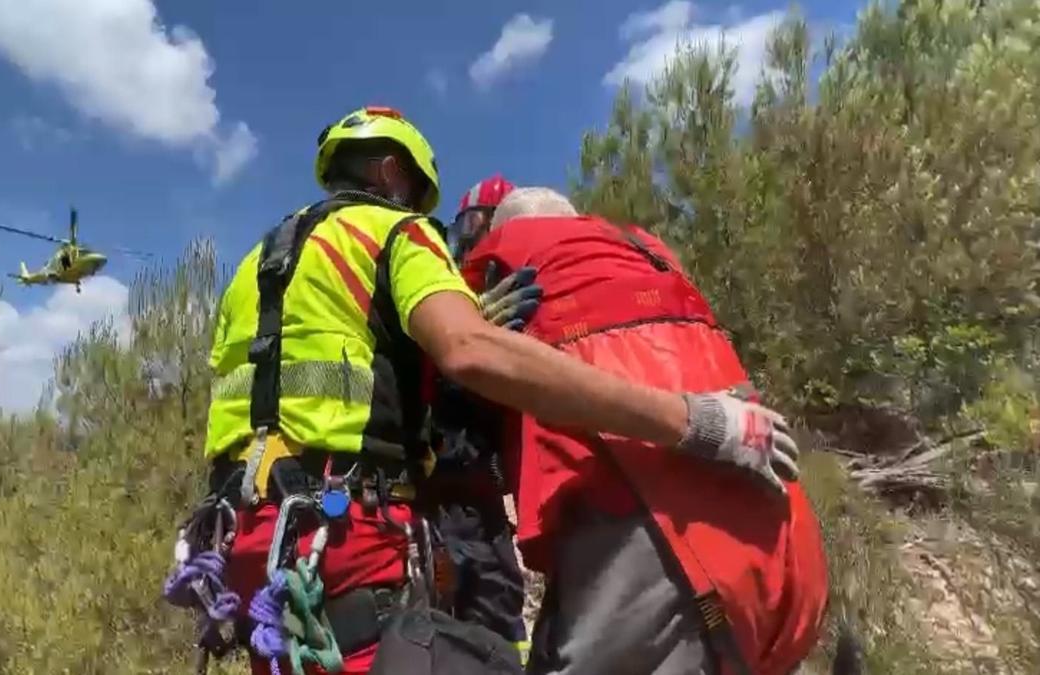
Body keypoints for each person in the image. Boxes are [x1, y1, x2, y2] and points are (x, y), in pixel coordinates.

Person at [172, 106, 803, 675]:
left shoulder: (259, 264)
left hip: (243, 540)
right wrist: (695, 421)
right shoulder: (394, 232)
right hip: (345, 537)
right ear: (393, 172)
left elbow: (312, 389)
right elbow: (469, 350)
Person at [459, 187, 829, 675]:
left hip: (656, 545)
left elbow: (463, 390)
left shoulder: (505, 272)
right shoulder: (649, 257)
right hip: (785, 538)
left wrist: (471, 335)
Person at [423, 173, 529, 660]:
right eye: (468, 226)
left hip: (484, 499)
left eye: (480, 225)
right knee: (434, 623)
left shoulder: (525, 286)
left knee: (499, 618)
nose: (472, 237)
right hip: (434, 494)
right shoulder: (436, 286)